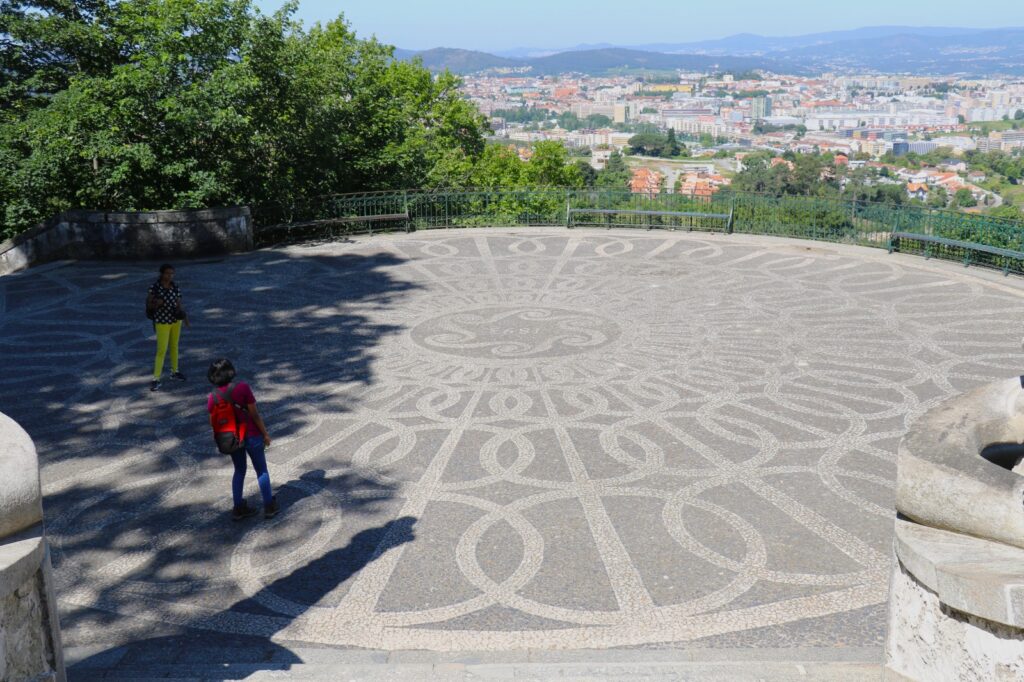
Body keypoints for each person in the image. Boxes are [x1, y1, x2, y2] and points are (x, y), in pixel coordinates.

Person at [206, 358, 279, 520]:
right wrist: (265, 434)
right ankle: (269, 506)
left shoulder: (213, 396)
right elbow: (254, 414)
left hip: (232, 438)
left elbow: (213, 422)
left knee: (239, 470)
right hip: (251, 434)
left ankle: (238, 508)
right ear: (231, 371)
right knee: (261, 470)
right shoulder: (243, 388)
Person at [147, 264, 190, 391]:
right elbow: (149, 305)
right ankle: (156, 379)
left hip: (176, 321)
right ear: (161, 273)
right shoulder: (155, 287)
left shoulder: (175, 286)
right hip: (162, 322)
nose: (170, 276)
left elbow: (179, 303)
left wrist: (185, 318)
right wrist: (156, 303)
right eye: (167, 273)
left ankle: (175, 371)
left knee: (174, 346)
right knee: (161, 350)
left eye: (172, 273)